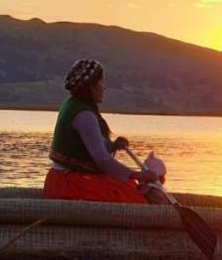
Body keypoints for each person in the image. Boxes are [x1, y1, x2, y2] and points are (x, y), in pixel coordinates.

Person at [44, 59, 163, 204]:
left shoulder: (73, 104)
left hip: (63, 179)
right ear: (91, 87)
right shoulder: (84, 114)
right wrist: (138, 175)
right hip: (71, 184)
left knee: (130, 188)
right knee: (137, 200)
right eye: (101, 83)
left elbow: (89, 146)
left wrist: (112, 146)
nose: (103, 88)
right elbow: (102, 160)